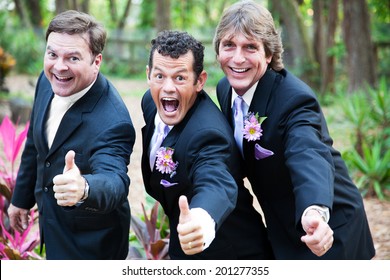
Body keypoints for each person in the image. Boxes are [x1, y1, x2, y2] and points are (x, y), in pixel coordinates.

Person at [213, 0, 375, 259]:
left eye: (250, 47)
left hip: (329, 232)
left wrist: (315, 210)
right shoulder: (225, 89)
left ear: (268, 54)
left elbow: (308, 152)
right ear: (218, 50)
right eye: (229, 45)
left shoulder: (294, 100)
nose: (238, 57)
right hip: (282, 227)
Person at [8, 10, 135, 259]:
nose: (59, 66)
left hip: (91, 244)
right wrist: (21, 199)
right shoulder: (48, 81)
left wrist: (85, 187)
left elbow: (115, 181)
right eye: (52, 54)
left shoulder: (113, 121)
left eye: (73, 58)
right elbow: (36, 144)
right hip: (52, 224)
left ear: (96, 61)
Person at [141, 30, 274, 260]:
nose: (168, 88)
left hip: (230, 254)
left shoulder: (208, 134)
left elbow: (216, 182)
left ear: (199, 81)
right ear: (149, 75)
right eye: (160, 76)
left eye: (180, 78)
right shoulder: (151, 103)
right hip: (183, 249)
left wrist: (202, 219)